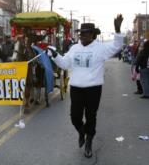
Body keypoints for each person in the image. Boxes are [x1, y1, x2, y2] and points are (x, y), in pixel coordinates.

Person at [47, 15, 124, 158]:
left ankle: (89, 141)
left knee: (91, 116)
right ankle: (82, 132)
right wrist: (55, 55)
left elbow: (117, 45)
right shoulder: (74, 48)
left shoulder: (101, 48)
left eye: (85, 33)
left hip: (93, 89)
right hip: (76, 88)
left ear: (93, 35)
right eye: (80, 33)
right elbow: (64, 64)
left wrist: (117, 29)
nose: (81, 36)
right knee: (75, 117)